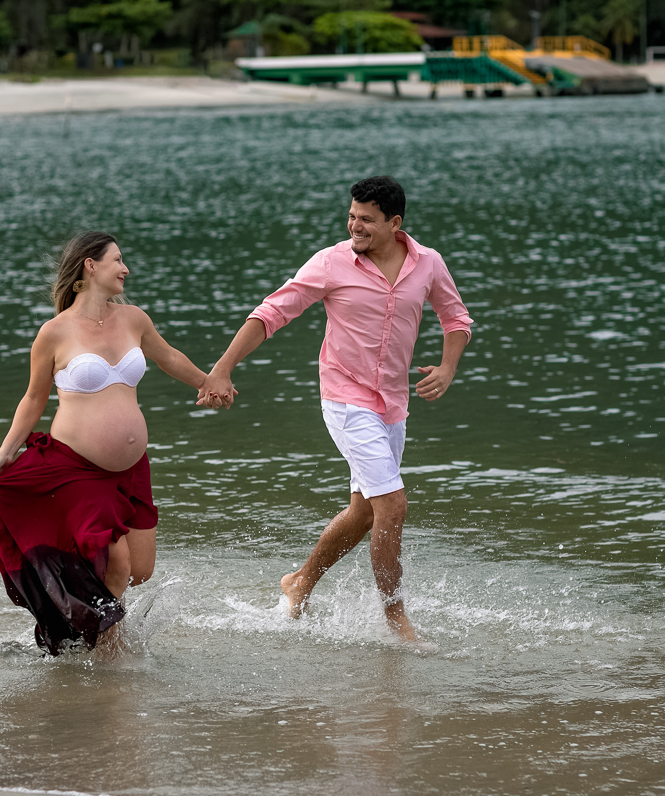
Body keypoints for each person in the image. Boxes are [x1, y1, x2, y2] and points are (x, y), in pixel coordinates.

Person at [198, 177, 472, 642]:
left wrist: (447, 368)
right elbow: (272, 312)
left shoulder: (428, 263)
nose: (354, 225)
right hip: (345, 400)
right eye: (351, 216)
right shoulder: (331, 262)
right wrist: (222, 368)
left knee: (365, 512)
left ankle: (300, 581)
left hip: (392, 405)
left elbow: (456, 317)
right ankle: (396, 620)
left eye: (366, 219)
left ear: (395, 222)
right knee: (393, 504)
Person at [0, 231, 227, 655]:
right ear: (90, 266)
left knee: (140, 569)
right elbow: (34, 398)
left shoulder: (134, 318)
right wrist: (6, 450)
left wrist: (210, 382)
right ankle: (109, 654)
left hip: (132, 469)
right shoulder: (54, 333)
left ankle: (85, 625)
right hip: (76, 467)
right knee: (117, 561)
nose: (126, 268)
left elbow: (168, 357)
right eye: (118, 260)